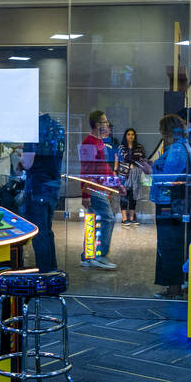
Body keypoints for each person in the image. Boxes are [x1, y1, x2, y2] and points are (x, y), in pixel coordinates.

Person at [151, 114, 191, 298]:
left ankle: (173, 289)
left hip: (169, 203)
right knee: (171, 245)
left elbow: (168, 178)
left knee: (169, 245)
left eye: (163, 131)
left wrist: (150, 169)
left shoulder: (177, 149)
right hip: (172, 203)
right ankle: (173, 287)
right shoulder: (180, 147)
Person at [79, 109, 121, 269]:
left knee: (92, 220)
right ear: (97, 125)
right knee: (107, 218)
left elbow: (103, 167)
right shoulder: (89, 143)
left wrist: (116, 184)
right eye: (104, 122)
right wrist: (86, 193)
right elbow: (86, 170)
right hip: (94, 189)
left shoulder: (99, 142)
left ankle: (87, 256)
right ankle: (99, 255)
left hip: (100, 188)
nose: (107, 124)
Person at [22, 113, 66, 271]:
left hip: (37, 188)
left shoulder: (33, 130)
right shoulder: (58, 127)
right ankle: (52, 272)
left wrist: (18, 159)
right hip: (52, 187)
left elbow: (27, 163)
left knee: (39, 234)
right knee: (47, 232)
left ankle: (45, 273)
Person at [118, 128, 148, 225]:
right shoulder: (121, 148)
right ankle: (124, 218)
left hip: (135, 173)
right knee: (123, 195)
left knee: (133, 196)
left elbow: (143, 161)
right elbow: (117, 160)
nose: (130, 136)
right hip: (123, 174)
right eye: (128, 134)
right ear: (125, 136)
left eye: (132, 134)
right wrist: (115, 171)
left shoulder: (139, 147)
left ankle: (132, 218)